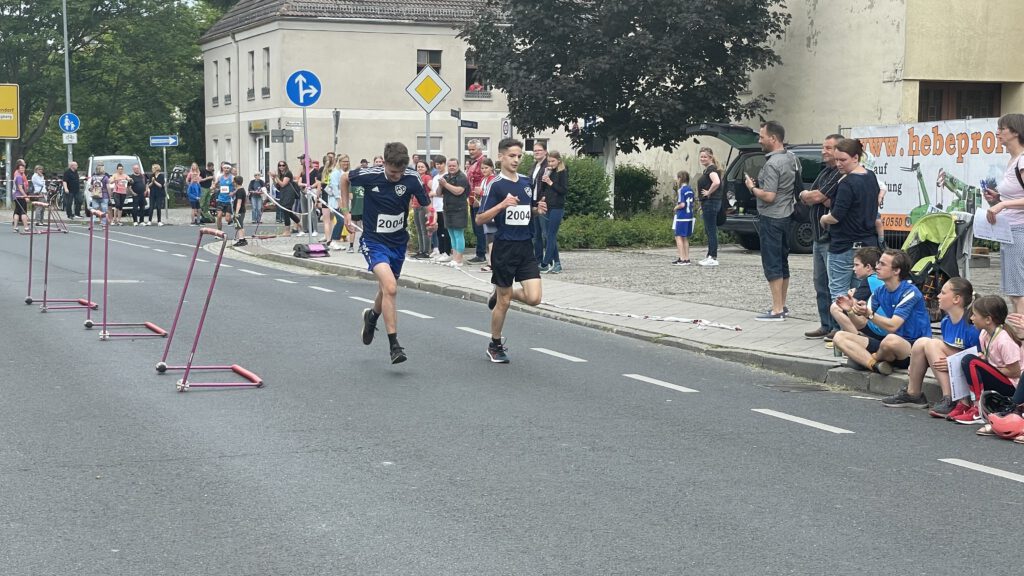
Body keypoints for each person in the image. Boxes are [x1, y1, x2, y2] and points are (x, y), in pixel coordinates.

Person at [342, 142, 430, 364]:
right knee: (390, 286)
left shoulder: (411, 177)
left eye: (400, 172)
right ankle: (394, 346)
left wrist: (432, 218)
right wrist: (346, 212)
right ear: (385, 163)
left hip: (398, 242)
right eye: (392, 172)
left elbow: (425, 201)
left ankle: (372, 316)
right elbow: (344, 179)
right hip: (374, 241)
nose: (396, 176)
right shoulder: (369, 175)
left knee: (386, 290)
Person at [477, 137, 548, 363]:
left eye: (519, 156)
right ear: (501, 157)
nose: (516, 160)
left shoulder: (526, 182)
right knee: (505, 302)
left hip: (525, 246)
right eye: (512, 156)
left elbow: (527, 211)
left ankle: (498, 294)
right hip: (504, 247)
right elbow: (480, 219)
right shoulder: (495, 185)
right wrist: (501, 205)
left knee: (534, 298)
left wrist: (538, 210)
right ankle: (494, 344)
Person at [879, 278, 979, 412]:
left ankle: (950, 398)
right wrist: (915, 364)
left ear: (956, 299)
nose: (938, 296)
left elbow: (981, 358)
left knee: (932, 343)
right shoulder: (945, 322)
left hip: (971, 376)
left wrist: (954, 362)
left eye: (943, 293)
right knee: (921, 343)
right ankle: (913, 394)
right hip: (954, 372)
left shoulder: (972, 327)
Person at [832, 249, 932, 374]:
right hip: (886, 346)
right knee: (839, 336)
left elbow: (893, 325)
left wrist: (869, 314)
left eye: (882, 264)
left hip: (911, 349)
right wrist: (851, 311)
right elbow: (860, 325)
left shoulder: (910, 292)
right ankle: (876, 365)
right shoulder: (880, 291)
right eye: (878, 263)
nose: (877, 267)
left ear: (896, 271)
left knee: (891, 340)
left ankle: (872, 358)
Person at [744, 120, 800, 321]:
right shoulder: (791, 158)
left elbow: (769, 196)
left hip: (771, 216)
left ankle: (776, 309)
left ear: (773, 138)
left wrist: (751, 187)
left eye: (762, 136)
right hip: (787, 215)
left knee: (772, 263)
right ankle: (782, 305)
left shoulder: (772, 163)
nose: (760, 140)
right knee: (783, 262)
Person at [819, 138, 880, 303]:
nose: (838, 164)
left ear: (855, 158)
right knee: (860, 294)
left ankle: (843, 328)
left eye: (843, 160)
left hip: (844, 244)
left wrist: (824, 219)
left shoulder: (847, 182)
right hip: (867, 243)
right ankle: (857, 329)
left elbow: (837, 215)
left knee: (839, 294)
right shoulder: (871, 176)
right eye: (837, 159)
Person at [948, 295, 1022, 425]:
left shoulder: (1004, 340)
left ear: (988, 319)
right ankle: (965, 403)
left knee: (970, 361)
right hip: (1001, 378)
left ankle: (978, 409)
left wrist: (988, 368)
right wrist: (984, 361)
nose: (971, 318)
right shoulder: (984, 334)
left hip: (1012, 386)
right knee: (968, 360)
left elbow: (1015, 372)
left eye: (975, 315)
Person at [799, 135, 844, 338]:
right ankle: (825, 324)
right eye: (823, 147)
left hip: (830, 237)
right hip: (818, 237)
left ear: (839, 150)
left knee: (834, 284)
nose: (823, 151)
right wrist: (810, 196)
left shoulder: (839, 174)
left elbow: (818, 197)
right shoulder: (825, 171)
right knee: (820, 284)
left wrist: (814, 197)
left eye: (828, 147)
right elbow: (811, 195)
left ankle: (837, 327)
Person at [983, 113, 1024, 315]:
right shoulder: (1012, 160)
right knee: (1014, 290)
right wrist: (997, 198)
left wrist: (1003, 204)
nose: (998, 133)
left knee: (1018, 291)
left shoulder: (1022, 161)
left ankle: (1020, 338)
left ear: (1016, 132)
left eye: (1002, 129)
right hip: (1010, 231)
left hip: (1019, 231)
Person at [829, 247, 884, 338]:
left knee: (835, 307)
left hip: (879, 330)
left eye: (856, 265)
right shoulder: (881, 278)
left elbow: (852, 303)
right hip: (889, 326)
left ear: (868, 267)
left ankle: (858, 338)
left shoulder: (869, 281)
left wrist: (851, 295)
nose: (853, 269)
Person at [539, 150, 569, 273]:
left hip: (557, 206)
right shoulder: (549, 171)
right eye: (549, 161)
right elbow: (545, 189)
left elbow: (563, 190)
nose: (550, 163)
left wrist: (550, 182)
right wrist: (545, 181)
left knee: (551, 234)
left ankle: (545, 263)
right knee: (546, 235)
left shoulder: (563, 171)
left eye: (553, 161)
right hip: (548, 205)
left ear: (559, 160)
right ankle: (557, 264)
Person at [439, 157, 471, 269]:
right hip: (448, 209)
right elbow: (439, 193)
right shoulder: (445, 177)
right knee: (451, 234)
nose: (451, 168)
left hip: (459, 209)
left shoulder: (462, 177)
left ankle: (459, 259)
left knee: (458, 234)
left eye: (454, 166)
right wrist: (440, 185)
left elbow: (459, 191)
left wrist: (446, 184)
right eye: (450, 166)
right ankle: (454, 258)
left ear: (458, 166)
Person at [696, 147, 723, 267]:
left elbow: (716, 182)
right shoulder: (709, 169)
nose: (702, 159)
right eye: (701, 156)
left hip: (711, 202)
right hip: (709, 203)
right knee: (709, 230)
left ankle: (712, 256)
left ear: (710, 157)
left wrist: (708, 192)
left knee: (711, 230)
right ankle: (710, 255)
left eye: (705, 157)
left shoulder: (711, 170)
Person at [466, 139, 488, 264]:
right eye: (469, 149)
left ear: (480, 149)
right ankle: (480, 253)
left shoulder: (482, 162)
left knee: (479, 227)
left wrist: (478, 199)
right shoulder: (474, 163)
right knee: (476, 228)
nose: (470, 151)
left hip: (478, 200)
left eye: (473, 149)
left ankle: (481, 255)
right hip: (472, 199)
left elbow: (484, 181)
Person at [529, 141, 548, 263]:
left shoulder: (547, 165)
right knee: (536, 234)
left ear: (545, 151)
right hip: (534, 201)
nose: (536, 152)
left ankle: (550, 259)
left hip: (543, 202)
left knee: (545, 233)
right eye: (535, 150)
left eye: (539, 150)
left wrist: (544, 198)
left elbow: (548, 184)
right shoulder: (535, 165)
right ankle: (538, 259)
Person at [429, 155, 451, 261]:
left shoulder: (447, 176)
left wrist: (434, 194)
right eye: (437, 164)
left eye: (440, 164)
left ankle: (447, 252)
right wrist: (432, 208)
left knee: (445, 231)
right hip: (437, 207)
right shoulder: (435, 177)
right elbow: (432, 193)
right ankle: (441, 251)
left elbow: (446, 193)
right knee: (438, 231)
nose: (438, 166)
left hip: (444, 206)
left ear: (444, 164)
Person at [478, 157, 498, 272]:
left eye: (486, 168)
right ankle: (491, 261)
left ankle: (491, 263)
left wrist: (481, 193)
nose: (484, 170)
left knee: (491, 236)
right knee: (488, 236)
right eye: (482, 168)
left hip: (491, 210)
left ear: (491, 168)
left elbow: (492, 194)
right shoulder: (484, 179)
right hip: (484, 209)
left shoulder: (493, 179)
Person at [672, 170, 695, 266]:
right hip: (689, 216)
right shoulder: (690, 189)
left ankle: (682, 259)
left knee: (678, 236)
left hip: (682, 216)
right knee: (685, 237)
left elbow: (682, 204)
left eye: (677, 178)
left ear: (680, 178)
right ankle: (686, 258)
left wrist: (675, 208)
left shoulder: (681, 190)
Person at [411, 159, 433, 259]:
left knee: (424, 230)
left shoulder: (427, 177)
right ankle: (421, 250)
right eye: (418, 167)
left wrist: (427, 198)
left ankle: (426, 251)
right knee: (419, 230)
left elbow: (433, 188)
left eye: (422, 167)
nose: (420, 168)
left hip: (423, 206)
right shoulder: (416, 178)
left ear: (426, 168)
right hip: (416, 205)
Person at [275, 161, 302, 236]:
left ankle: (287, 231)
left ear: (286, 166)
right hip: (283, 195)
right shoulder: (281, 175)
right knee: (288, 212)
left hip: (289, 194)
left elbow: (283, 184)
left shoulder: (288, 173)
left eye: (283, 165)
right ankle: (300, 224)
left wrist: (276, 177)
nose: (281, 167)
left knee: (286, 211)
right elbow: (278, 186)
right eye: (279, 165)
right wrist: (273, 178)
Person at [215, 163, 234, 231]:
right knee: (219, 216)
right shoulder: (220, 177)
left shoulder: (232, 177)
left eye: (227, 168)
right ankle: (219, 231)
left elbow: (237, 187)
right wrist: (215, 186)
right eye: (225, 168)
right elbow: (215, 185)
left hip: (228, 200)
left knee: (227, 219)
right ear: (223, 169)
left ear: (229, 169)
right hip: (221, 199)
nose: (226, 169)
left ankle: (232, 220)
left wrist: (233, 192)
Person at [12, 163, 29, 232]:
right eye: (21, 168)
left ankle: (15, 227)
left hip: (15, 196)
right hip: (20, 196)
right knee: (23, 212)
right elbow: (20, 188)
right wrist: (25, 196)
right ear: (18, 169)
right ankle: (26, 227)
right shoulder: (19, 177)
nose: (22, 169)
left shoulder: (16, 176)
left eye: (23, 168)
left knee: (17, 212)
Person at [231, 175, 248, 247]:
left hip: (240, 211)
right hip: (242, 210)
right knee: (240, 225)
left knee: (239, 226)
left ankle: (241, 240)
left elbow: (239, 202)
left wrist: (236, 212)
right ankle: (243, 239)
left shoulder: (240, 191)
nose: (232, 183)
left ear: (236, 183)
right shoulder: (241, 189)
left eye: (233, 181)